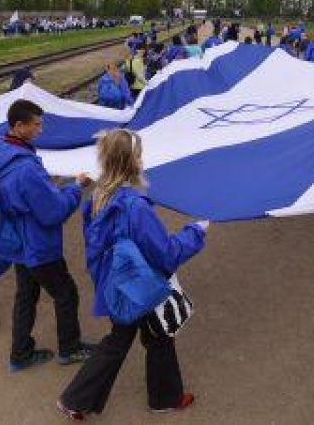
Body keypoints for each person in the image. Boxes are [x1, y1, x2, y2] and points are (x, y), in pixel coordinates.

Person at [57, 129, 208, 420]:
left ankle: (77, 399)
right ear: (133, 161)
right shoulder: (135, 206)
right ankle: (165, 397)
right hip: (141, 284)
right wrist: (195, 232)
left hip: (117, 283)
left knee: (120, 339)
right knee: (160, 335)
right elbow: (166, 253)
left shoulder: (99, 196)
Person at [0, 99, 93, 371]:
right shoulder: (25, 168)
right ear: (19, 126)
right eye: (36, 124)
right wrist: (76, 187)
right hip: (38, 244)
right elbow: (53, 212)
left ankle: (20, 353)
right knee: (66, 293)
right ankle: (69, 349)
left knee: (26, 295)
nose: (40, 129)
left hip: (18, 242)